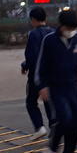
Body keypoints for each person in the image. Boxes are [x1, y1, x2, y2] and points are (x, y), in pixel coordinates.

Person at [35, 9, 77, 153]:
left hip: (72, 86)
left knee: (76, 124)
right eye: (69, 28)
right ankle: (51, 148)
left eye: (74, 28)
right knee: (65, 119)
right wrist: (41, 86)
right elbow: (40, 67)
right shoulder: (49, 40)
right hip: (55, 87)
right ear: (61, 26)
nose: (71, 31)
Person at [21, 8, 54, 139]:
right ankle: (54, 127)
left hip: (37, 75)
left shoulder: (33, 34)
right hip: (51, 74)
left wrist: (25, 65)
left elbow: (31, 56)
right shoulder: (53, 32)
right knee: (48, 100)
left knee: (31, 102)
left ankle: (39, 127)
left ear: (33, 20)